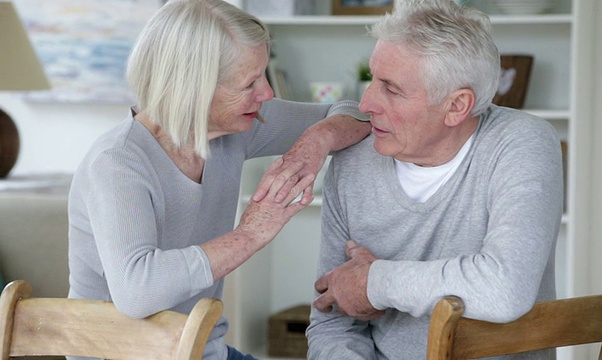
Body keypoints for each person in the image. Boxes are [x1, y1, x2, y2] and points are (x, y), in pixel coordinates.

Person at [66, 1, 371, 359]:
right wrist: (250, 234)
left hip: (201, 351)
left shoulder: (237, 127)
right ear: (193, 87)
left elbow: (356, 114)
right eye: (249, 83)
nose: (267, 93)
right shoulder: (118, 164)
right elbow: (137, 292)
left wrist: (316, 142)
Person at [306, 0, 564, 359]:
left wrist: (373, 282)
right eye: (371, 79)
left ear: (456, 106)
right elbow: (331, 319)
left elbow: (505, 289)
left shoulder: (521, 143)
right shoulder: (352, 162)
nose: (365, 105)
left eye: (391, 89)